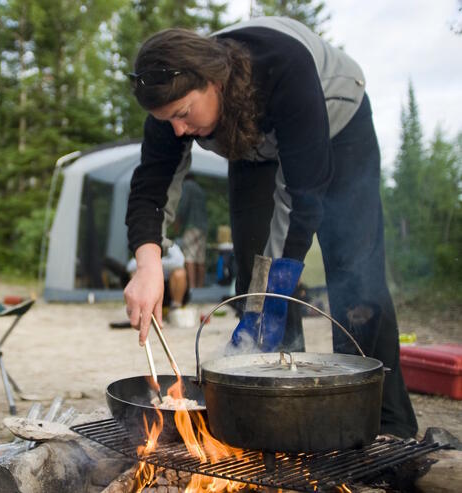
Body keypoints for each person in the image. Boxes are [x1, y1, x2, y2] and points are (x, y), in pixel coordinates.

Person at [123, 17, 417, 438]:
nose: (179, 129)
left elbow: (303, 198)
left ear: (215, 82)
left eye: (184, 115)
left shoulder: (284, 69)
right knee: (253, 273)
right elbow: (150, 188)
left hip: (336, 122)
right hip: (251, 143)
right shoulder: (171, 102)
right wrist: (148, 266)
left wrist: (277, 289)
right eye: (168, 120)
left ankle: (387, 424)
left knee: (355, 273)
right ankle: (276, 415)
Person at [127, 243, 191, 324]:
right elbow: (130, 266)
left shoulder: (169, 244)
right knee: (135, 274)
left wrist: (153, 263)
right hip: (151, 289)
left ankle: (175, 307)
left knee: (179, 273)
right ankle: (143, 311)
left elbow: (179, 261)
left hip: (169, 288)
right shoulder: (145, 244)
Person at [174, 174, 208, 287]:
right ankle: (200, 285)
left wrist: (178, 222)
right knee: (200, 258)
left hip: (192, 225)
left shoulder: (187, 186)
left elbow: (183, 206)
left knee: (189, 256)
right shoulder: (200, 189)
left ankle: (192, 286)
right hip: (203, 227)